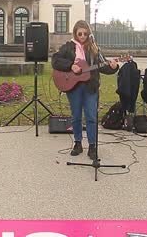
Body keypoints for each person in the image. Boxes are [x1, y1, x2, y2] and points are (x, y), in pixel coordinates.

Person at [51, 20, 119, 160]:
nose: (82, 36)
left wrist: (113, 67)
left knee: (91, 117)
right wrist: (71, 66)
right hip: (73, 86)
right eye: (79, 33)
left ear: (89, 34)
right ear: (75, 33)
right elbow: (55, 60)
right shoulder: (68, 47)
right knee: (76, 116)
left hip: (90, 86)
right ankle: (77, 143)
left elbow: (103, 66)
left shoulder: (93, 48)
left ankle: (92, 146)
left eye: (85, 33)